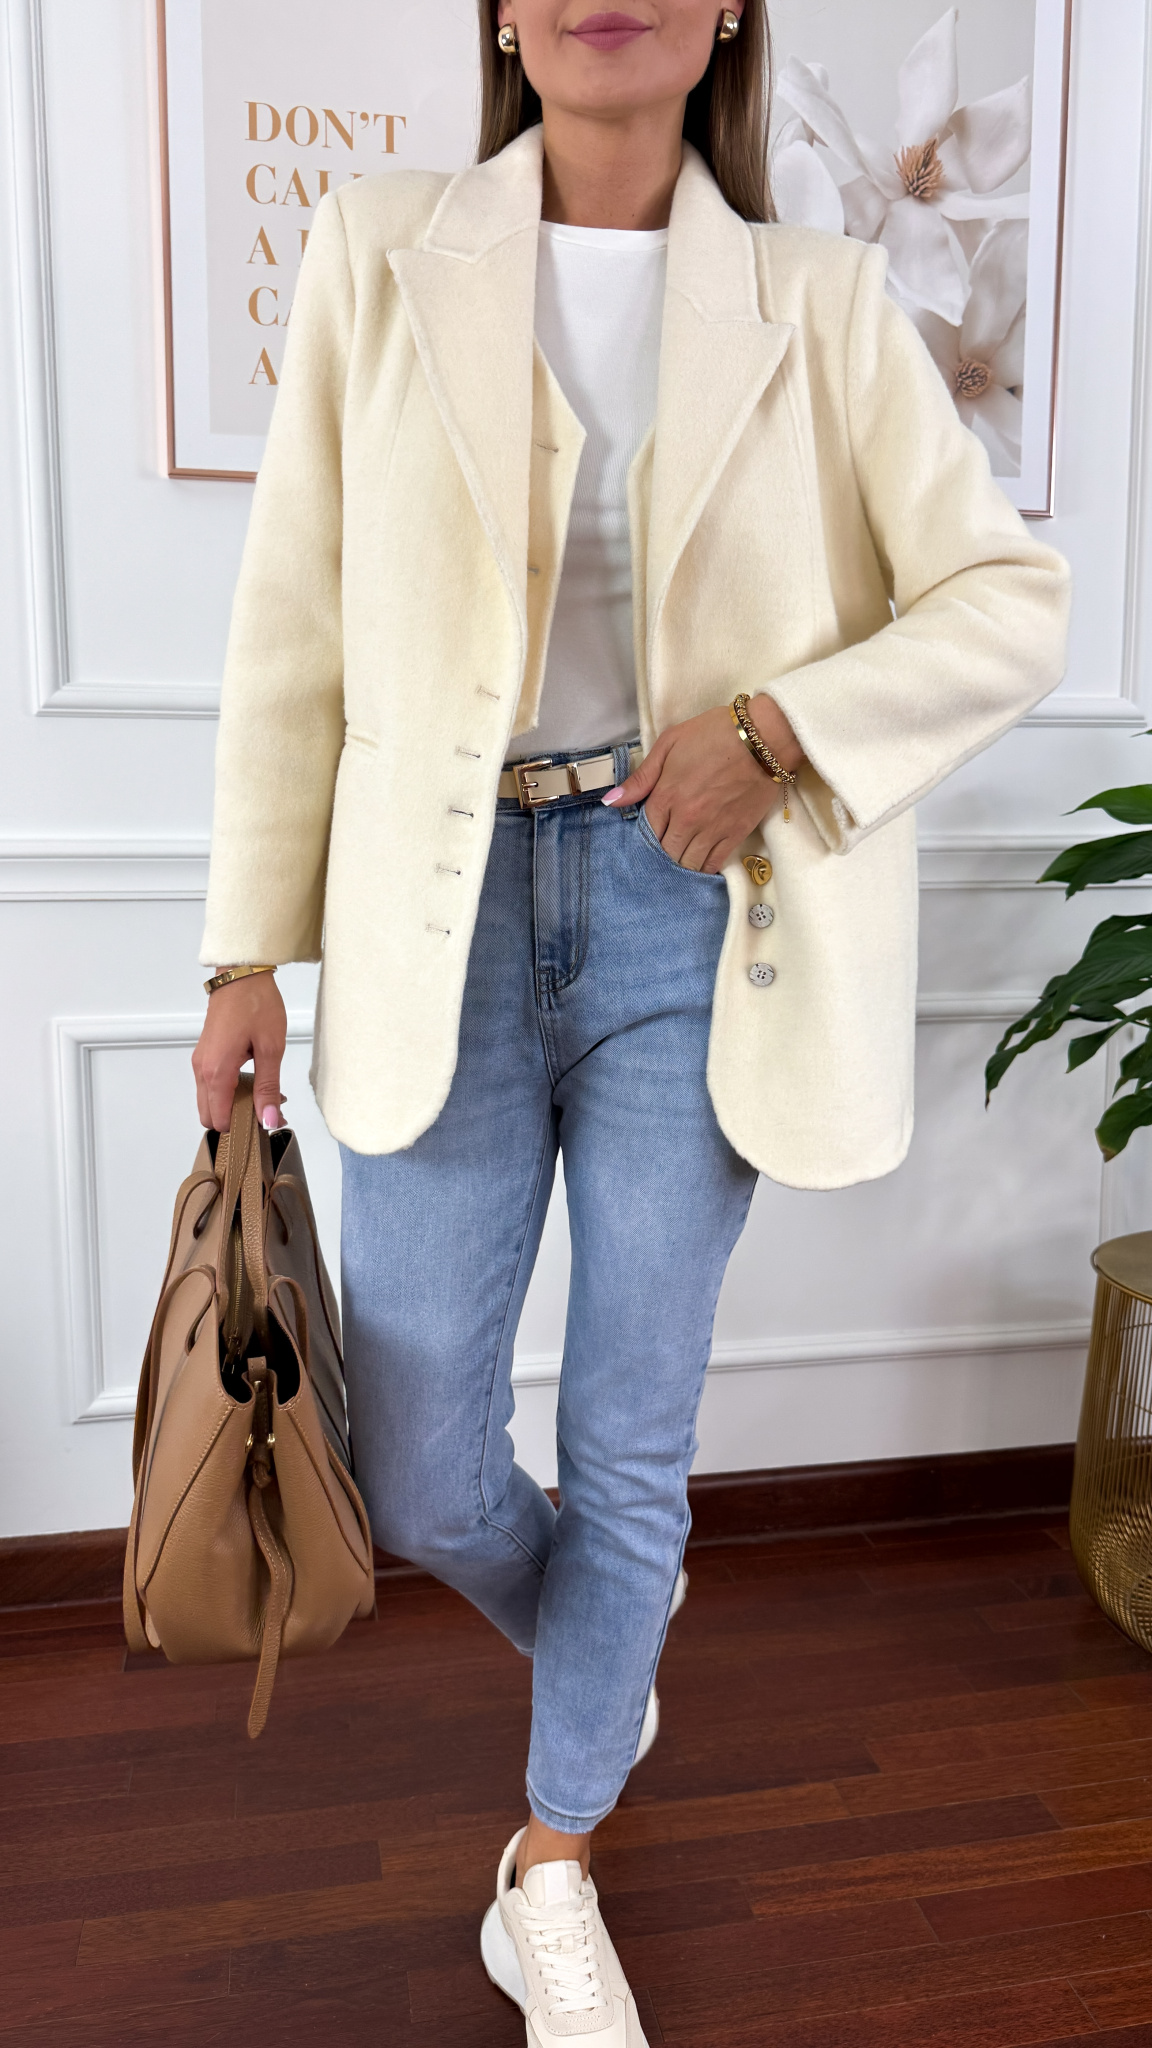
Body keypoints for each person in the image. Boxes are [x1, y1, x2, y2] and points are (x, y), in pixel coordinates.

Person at [192, 3, 1070, 2040]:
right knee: (424, 1469)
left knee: (633, 1438)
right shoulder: (380, 246)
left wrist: (776, 733)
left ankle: (554, 1864)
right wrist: (241, 948)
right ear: (503, 15)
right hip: (438, 914)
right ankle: (613, 1629)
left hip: (704, 912)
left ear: (730, 11)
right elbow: (293, 618)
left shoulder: (822, 298)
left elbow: (1006, 601)